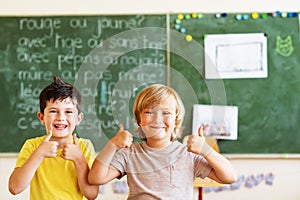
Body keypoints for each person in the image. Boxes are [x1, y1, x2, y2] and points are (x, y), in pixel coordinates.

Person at [88, 84, 237, 199]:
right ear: (139, 119)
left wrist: (205, 149)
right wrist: (112, 145)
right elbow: (96, 178)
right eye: (149, 112)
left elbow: (229, 177)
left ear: (176, 120)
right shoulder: (130, 153)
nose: (157, 119)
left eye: (166, 113)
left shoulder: (187, 154)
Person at [9, 76, 99, 200]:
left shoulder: (84, 147)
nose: (61, 117)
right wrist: (38, 154)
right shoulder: (32, 146)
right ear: (41, 118)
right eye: (53, 111)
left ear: (78, 119)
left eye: (68, 112)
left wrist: (79, 159)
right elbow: (15, 188)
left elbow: (91, 194)